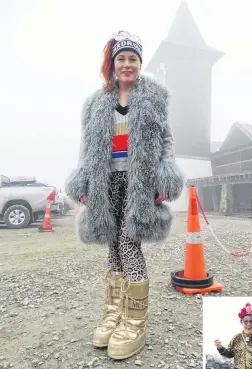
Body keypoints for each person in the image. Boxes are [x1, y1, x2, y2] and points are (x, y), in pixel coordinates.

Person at [65, 30, 184, 360]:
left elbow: (167, 143)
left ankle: (135, 320)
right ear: (113, 64)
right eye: (122, 58)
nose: (127, 64)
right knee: (114, 248)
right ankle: (114, 312)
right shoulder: (96, 103)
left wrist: (166, 178)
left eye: (133, 59)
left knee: (129, 243)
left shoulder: (155, 99)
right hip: (106, 183)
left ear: (140, 63)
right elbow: (86, 151)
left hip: (140, 183)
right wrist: (84, 184)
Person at [214, 303, 252, 369]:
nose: (248, 324)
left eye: (251, 321)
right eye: (246, 321)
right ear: (241, 322)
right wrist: (220, 347)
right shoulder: (236, 338)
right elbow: (229, 354)